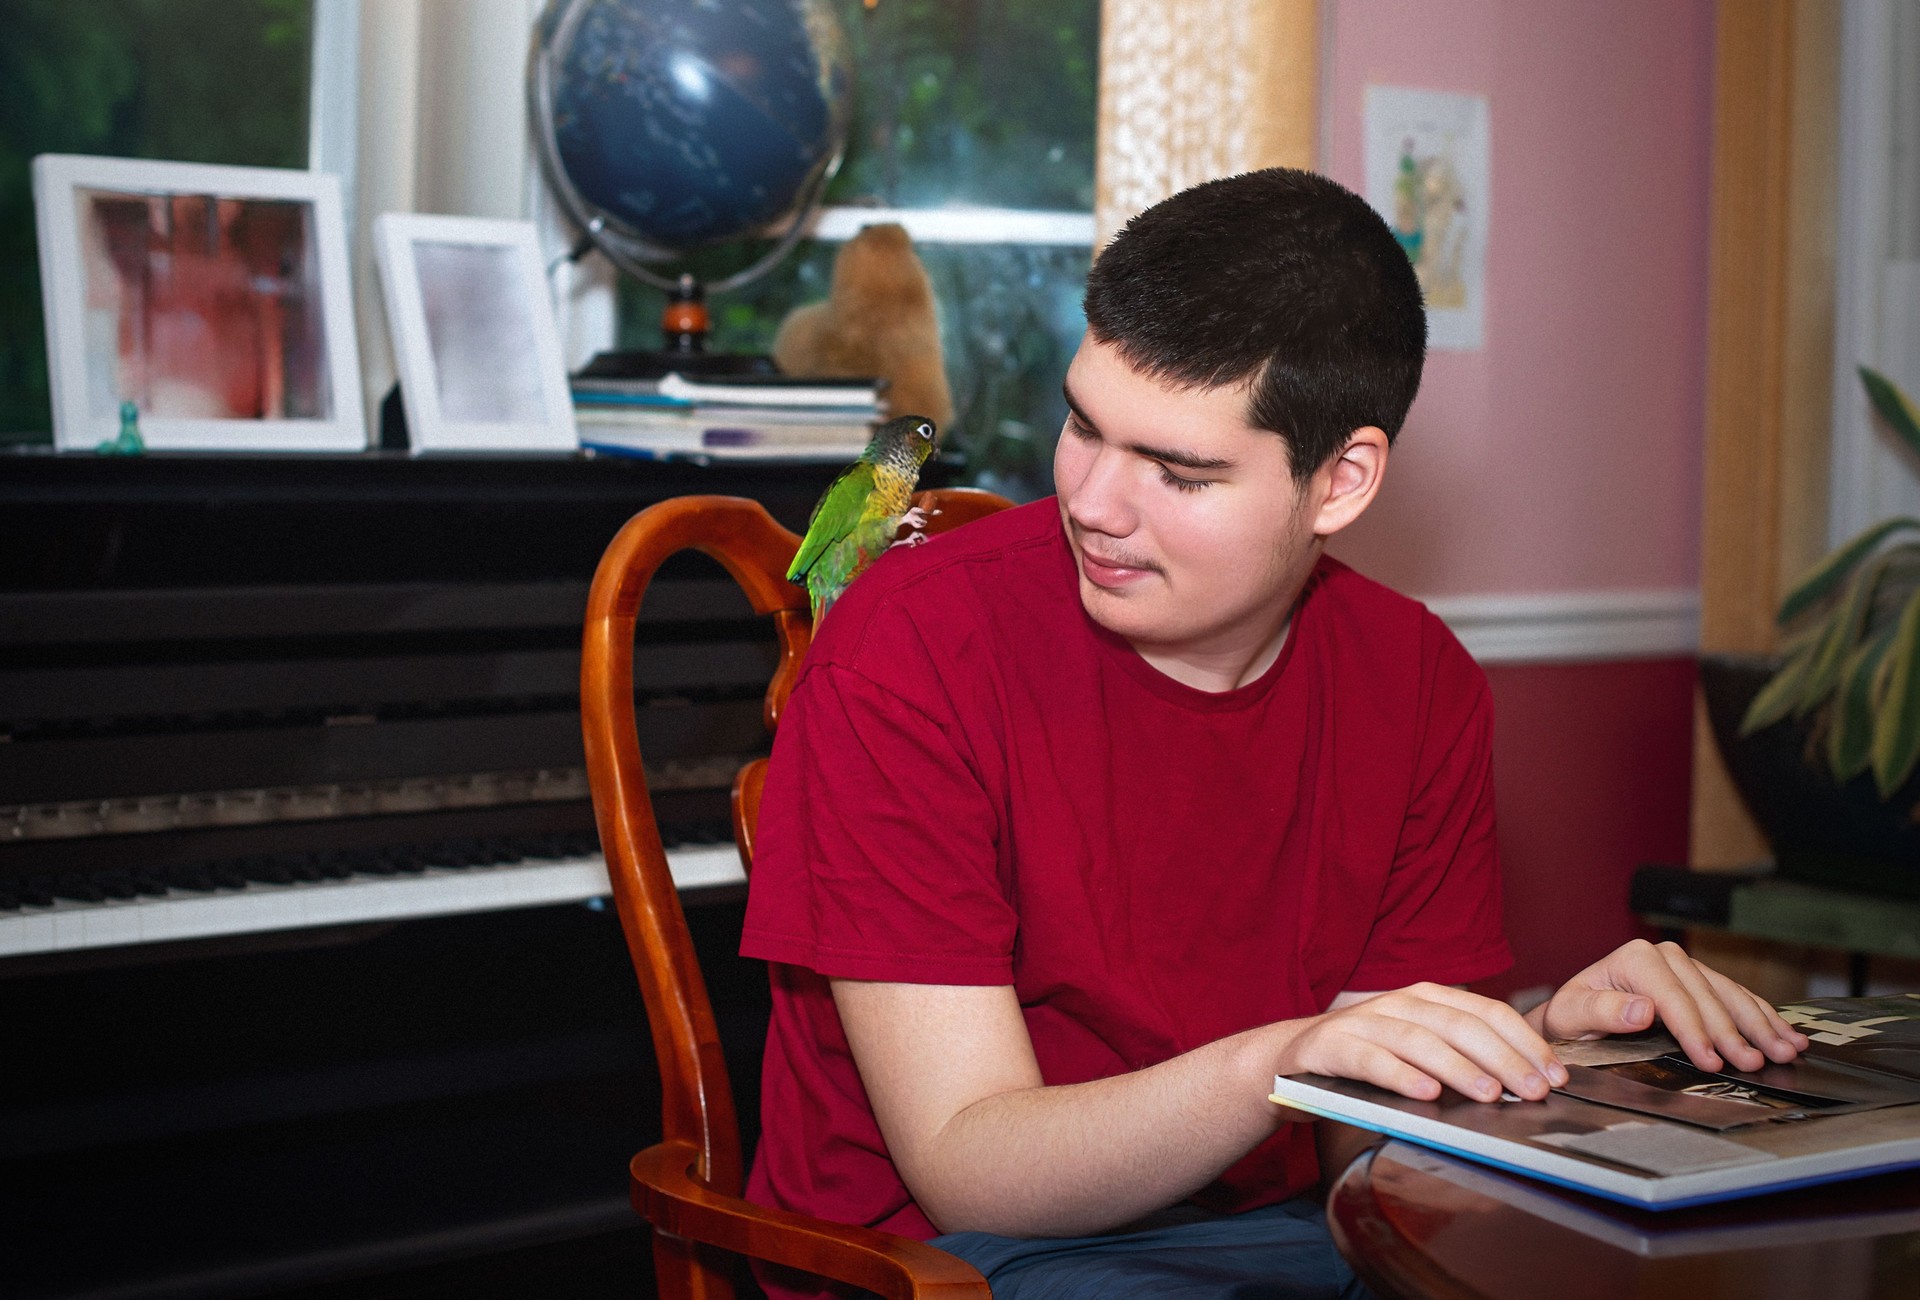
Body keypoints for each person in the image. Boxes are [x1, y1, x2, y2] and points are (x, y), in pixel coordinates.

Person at [738, 167, 1809, 1299]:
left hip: (1282, 1236)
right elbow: (970, 1166)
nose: (1094, 501)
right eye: (1083, 425)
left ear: (1340, 482)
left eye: (1178, 470)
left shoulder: (1418, 681)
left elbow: (1366, 1145)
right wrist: (1284, 1060)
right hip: (934, 1263)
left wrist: (1556, 1054)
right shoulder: (907, 650)